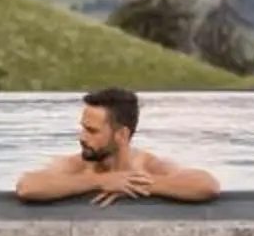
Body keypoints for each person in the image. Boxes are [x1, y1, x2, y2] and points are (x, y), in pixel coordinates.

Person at [13, 86, 221, 205]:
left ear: (121, 135)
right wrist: (100, 181)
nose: (82, 137)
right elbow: (27, 186)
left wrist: (138, 184)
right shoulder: (76, 165)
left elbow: (207, 185)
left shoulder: (146, 165)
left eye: (92, 131)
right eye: (83, 128)